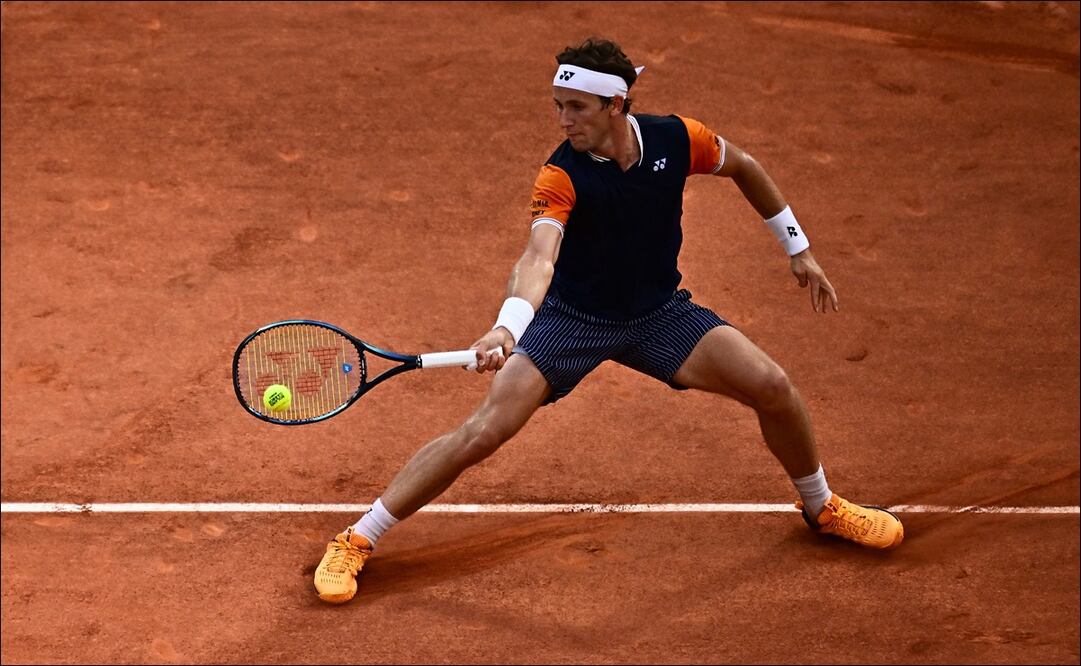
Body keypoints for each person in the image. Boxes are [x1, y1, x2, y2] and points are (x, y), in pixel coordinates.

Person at [313, 38, 904, 604]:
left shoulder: (679, 138)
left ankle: (821, 507)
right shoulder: (562, 174)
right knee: (484, 431)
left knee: (773, 387)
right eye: (558, 107)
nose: (564, 120)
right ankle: (358, 537)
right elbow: (538, 258)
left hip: (658, 314)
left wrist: (796, 247)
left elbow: (744, 166)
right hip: (573, 320)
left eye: (576, 107)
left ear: (615, 104)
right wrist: (508, 327)